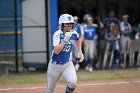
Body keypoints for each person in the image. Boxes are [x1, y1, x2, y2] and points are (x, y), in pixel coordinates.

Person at [44, 14, 84, 93]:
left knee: (73, 82)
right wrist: (65, 40)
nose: (69, 25)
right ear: (62, 25)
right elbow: (56, 51)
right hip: (55, 65)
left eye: (71, 23)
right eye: (67, 23)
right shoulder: (57, 34)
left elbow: (78, 38)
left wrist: (79, 50)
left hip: (67, 64)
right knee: (50, 90)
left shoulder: (74, 33)